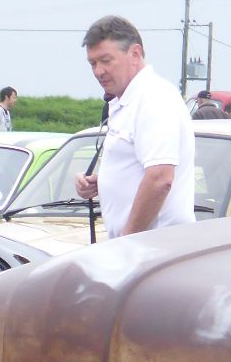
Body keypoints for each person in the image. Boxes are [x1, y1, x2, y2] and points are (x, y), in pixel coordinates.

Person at [74, 15, 196, 238]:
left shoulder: (153, 98)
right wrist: (100, 183)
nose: (98, 71)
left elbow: (160, 178)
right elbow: (137, 170)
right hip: (143, 247)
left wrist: (126, 240)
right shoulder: (129, 100)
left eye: (106, 60)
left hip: (155, 249)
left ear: (135, 54)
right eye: (93, 63)